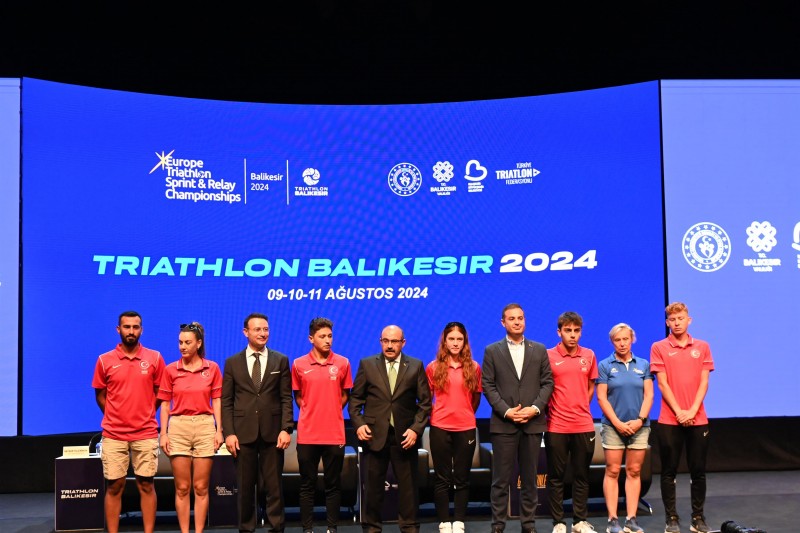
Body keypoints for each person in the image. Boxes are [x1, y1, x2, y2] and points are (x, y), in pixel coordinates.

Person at [349, 324, 432, 533]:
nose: (389, 345)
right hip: (374, 435)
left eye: (394, 341)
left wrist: (415, 429)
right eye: (385, 341)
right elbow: (355, 401)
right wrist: (359, 424)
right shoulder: (367, 364)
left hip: (405, 436)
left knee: (408, 489)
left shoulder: (415, 366)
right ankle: (372, 528)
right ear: (380, 342)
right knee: (373, 488)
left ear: (403, 343)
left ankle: (409, 527)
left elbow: (425, 404)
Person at [482, 303, 553, 533]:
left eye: (520, 318)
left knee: (530, 479)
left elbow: (547, 383)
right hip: (503, 424)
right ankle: (498, 525)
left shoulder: (539, 349)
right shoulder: (492, 350)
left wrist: (534, 409)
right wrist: (507, 411)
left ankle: (528, 525)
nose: (517, 322)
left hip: (532, 423)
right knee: (500, 480)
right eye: (511, 318)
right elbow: (488, 385)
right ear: (503, 322)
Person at [92, 310, 165, 533]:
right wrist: (115, 416)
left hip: (145, 432)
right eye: (127, 327)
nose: (131, 331)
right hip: (114, 434)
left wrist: (146, 413)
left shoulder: (155, 358)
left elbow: (160, 393)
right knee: (114, 486)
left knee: (147, 485)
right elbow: (100, 395)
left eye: (135, 327)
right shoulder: (104, 360)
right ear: (118, 330)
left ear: (141, 330)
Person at [221, 313, 294, 533]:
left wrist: (286, 428)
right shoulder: (232, 362)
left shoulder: (280, 360)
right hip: (243, 434)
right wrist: (229, 433)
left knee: (274, 487)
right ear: (246, 332)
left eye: (266, 329)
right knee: (244, 487)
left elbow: (286, 398)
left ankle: (276, 528)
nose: (263, 333)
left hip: (273, 433)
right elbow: (227, 401)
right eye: (258, 329)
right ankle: (246, 529)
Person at [650, 302, 714, 533]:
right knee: (669, 471)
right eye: (672, 319)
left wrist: (692, 410)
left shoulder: (702, 346)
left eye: (681, 318)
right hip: (670, 419)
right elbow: (662, 384)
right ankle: (672, 519)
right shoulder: (659, 347)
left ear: (689, 320)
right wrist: (679, 411)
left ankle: (698, 517)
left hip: (698, 418)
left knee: (698, 471)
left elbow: (704, 382)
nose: (677, 323)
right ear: (667, 322)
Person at [158, 322, 224, 533]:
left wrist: (219, 430)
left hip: (205, 425)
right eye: (180, 342)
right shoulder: (170, 370)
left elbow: (217, 401)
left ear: (199, 343)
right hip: (178, 427)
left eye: (187, 342)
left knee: (201, 487)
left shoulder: (212, 368)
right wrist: (163, 433)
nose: (182, 346)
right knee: (182, 487)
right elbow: (165, 404)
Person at [292, 317, 353, 533]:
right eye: (322, 336)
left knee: (333, 484)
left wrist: (332, 409)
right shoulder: (298, 364)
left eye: (330, 336)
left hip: (334, 434)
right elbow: (298, 396)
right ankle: (307, 529)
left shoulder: (343, 363)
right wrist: (311, 410)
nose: (328, 340)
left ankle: (332, 528)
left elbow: (345, 394)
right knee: (307, 484)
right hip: (307, 435)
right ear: (311, 339)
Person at [596, 323, 653, 533]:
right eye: (617, 340)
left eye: (625, 339)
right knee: (612, 471)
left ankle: (631, 519)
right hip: (613, 427)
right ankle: (612, 520)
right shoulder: (605, 365)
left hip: (640, 426)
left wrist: (639, 420)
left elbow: (649, 395)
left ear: (632, 340)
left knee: (634, 471)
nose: (622, 343)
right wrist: (618, 423)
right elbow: (602, 398)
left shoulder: (643, 364)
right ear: (612, 342)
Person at [425, 322, 483, 533]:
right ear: (445, 341)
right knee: (441, 478)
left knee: (462, 478)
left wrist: (464, 414)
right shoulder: (433, 367)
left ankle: (458, 521)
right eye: (451, 339)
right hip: (440, 427)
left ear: (465, 342)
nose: (455, 343)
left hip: (465, 428)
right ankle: (444, 521)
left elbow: (476, 398)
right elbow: (426, 399)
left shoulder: (474, 367)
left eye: (459, 339)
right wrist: (440, 415)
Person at [545, 311, 599, 533]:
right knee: (556, 477)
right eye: (568, 330)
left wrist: (580, 406)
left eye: (576, 330)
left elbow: (590, 386)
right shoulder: (548, 355)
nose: (573, 335)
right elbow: (544, 388)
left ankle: (579, 521)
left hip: (584, 425)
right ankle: (558, 522)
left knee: (581, 476)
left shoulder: (589, 355)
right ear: (559, 332)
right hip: (556, 425)